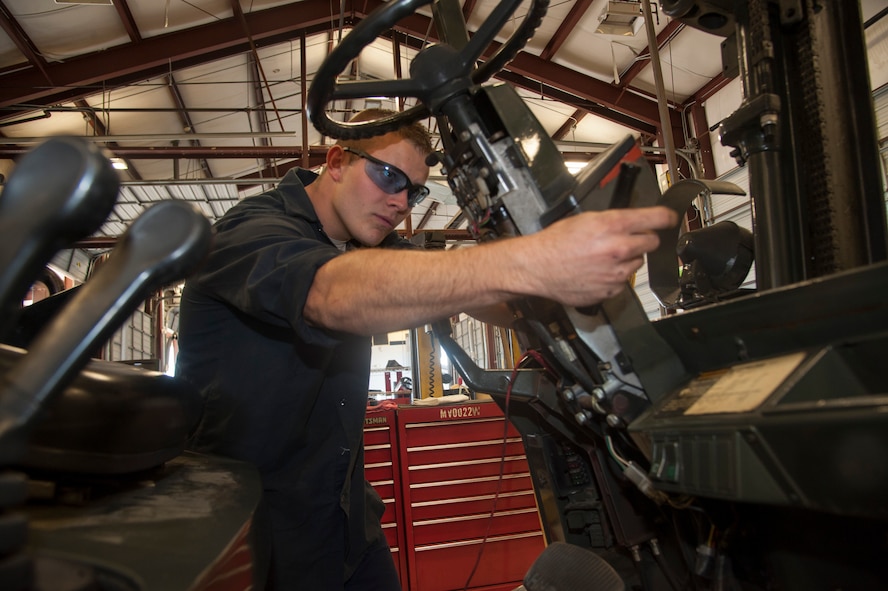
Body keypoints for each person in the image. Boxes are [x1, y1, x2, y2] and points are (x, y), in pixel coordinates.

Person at [175, 108, 677, 590]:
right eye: (389, 178)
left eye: (413, 193)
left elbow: (467, 291)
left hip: (345, 518)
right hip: (256, 536)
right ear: (335, 162)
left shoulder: (365, 242)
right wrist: (532, 262)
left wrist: (568, 289)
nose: (400, 203)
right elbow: (332, 295)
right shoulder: (251, 231)